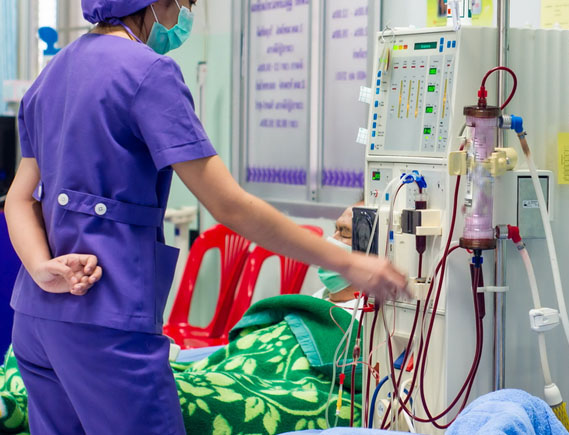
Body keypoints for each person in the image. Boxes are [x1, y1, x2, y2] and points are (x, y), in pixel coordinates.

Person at [3, 1, 406, 433]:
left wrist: (43, 268)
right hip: (106, 319)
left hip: (34, 319)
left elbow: (19, 199)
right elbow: (228, 205)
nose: (186, 17)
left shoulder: (52, 73)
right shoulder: (147, 72)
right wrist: (348, 261)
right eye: (187, 4)